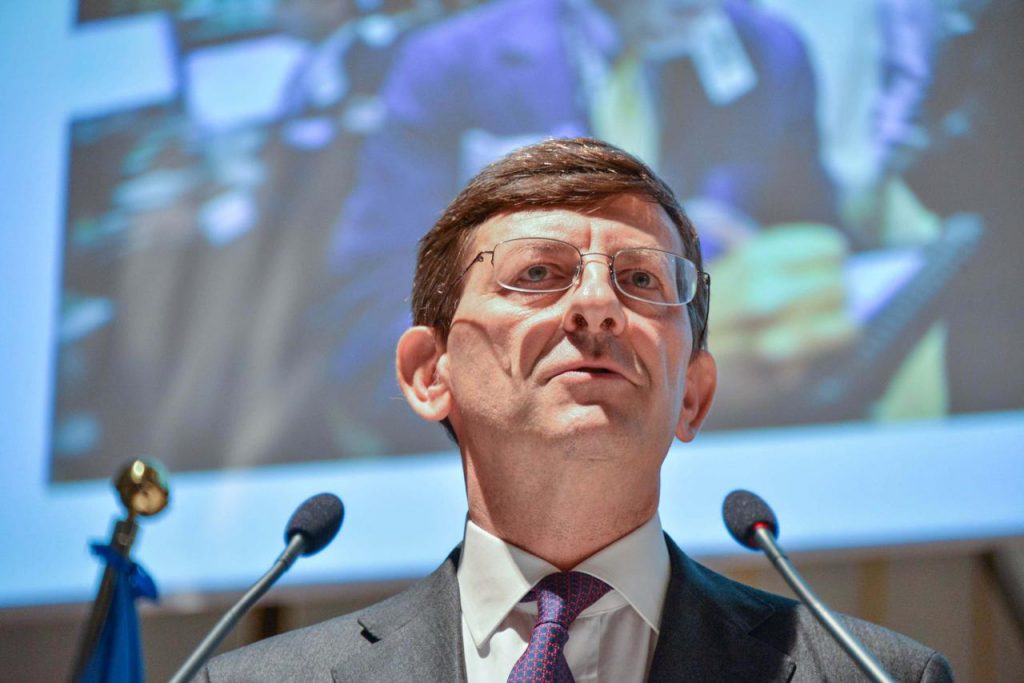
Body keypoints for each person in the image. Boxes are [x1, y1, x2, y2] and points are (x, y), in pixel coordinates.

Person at [200, 138, 953, 682]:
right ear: (430, 373)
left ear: (693, 394)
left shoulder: (871, 674)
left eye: (641, 279)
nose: (596, 305)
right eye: (537, 273)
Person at [323, 0, 857, 456]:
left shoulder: (772, 53)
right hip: (520, 478)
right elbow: (371, 332)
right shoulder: (449, 65)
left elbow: (819, 262)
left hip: (730, 453)